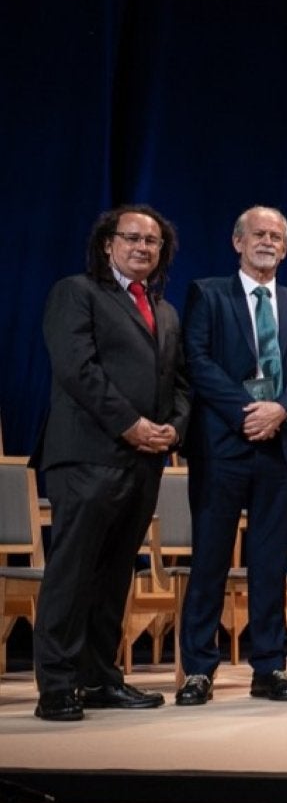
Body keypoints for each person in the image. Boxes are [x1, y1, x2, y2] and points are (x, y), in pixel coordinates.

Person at [32, 206, 189, 722]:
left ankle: (100, 678)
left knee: (115, 573)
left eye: (153, 241)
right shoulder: (76, 293)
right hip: (87, 456)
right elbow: (79, 370)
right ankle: (56, 683)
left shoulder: (163, 310)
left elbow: (180, 384)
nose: (143, 247)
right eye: (133, 238)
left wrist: (174, 428)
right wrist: (132, 425)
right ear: (107, 244)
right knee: (73, 571)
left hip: (144, 461)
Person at [177, 206, 287, 706]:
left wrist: (279, 410)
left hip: (281, 448)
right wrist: (249, 412)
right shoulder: (208, 293)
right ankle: (198, 670)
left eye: (276, 236)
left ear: (286, 248)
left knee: (269, 562)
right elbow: (196, 360)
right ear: (237, 242)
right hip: (224, 445)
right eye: (258, 234)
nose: (267, 241)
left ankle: (269, 666)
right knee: (211, 559)